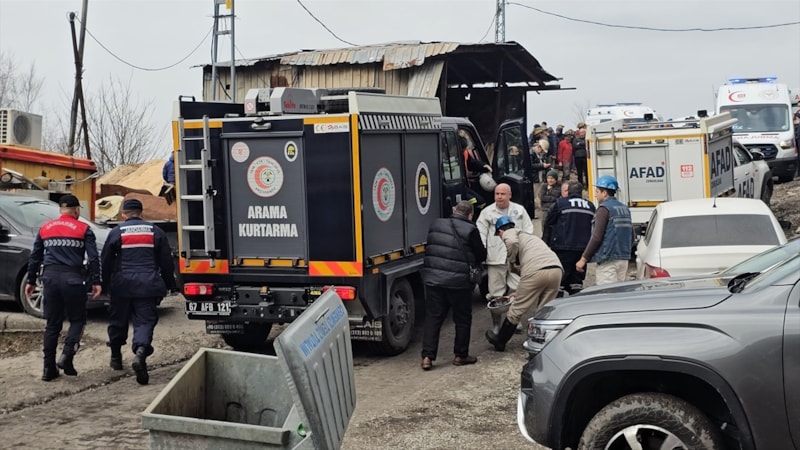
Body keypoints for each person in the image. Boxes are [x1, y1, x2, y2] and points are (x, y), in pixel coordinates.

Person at [26, 194, 102, 381]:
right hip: (73, 279)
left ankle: (48, 369)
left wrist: (30, 281)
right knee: (77, 320)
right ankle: (67, 354)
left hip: (49, 280)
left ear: (60, 209)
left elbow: (35, 256)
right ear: (77, 210)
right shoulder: (84, 229)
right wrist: (97, 282)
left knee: (52, 325)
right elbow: (93, 258)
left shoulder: (45, 228)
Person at [101, 198, 176, 385]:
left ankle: (116, 358)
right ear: (142, 213)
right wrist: (170, 284)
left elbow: (106, 261)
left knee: (118, 320)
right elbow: (167, 263)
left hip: (122, 285)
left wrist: (104, 284)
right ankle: (140, 353)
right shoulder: (155, 232)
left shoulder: (116, 232)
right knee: (144, 322)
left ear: (124, 214)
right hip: (148, 284)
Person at [420, 200, 487, 370]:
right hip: (459, 282)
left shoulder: (436, 224)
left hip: (434, 279)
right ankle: (460, 355)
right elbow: (481, 254)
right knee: (462, 319)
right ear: (470, 215)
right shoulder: (471, 229)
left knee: (433, 318)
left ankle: (427, 357)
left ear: (454, 210)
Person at [485, 216, 562, 351]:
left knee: (516, 309)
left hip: (536, 272)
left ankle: (500, 341)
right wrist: (519, 291)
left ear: (500, 231)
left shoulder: (510, 233)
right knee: (544, 310)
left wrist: (512, 261)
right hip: (556, 269)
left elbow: (512, 243)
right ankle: (541, 342)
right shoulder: (529, 237)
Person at [477, 183, 533, 300]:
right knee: (495, 293)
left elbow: (528, 230)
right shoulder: (487, 212)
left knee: (519, 290)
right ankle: (497, 316)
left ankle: (514, 316)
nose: (499, 197)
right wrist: (482, 253)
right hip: (495, 258)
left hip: (516, 258)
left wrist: (525, 251)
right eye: (497, 194)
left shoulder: (519, 210)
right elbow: (480, 234)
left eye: (503, 194)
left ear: (510, 195)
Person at [576, 175, 632, 285]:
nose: (595, 195)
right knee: (619, 295)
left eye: (597, 191)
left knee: (607, 296)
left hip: (608, 261)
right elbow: (631, 234)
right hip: (623, 259)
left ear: (604, 193)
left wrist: (583, 259)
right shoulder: (625, 209)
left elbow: (596, 237)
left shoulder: (604, 209)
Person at [542, 181, 596, 294]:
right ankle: (576, 304)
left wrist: (546, 244)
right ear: (581, 192)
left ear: (569, 191)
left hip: (562, 248)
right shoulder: (590, 206)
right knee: (576, 282)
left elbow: (548, 223)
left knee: (560, 281)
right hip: (582, 250)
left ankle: (560, 304)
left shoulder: (560, 203)